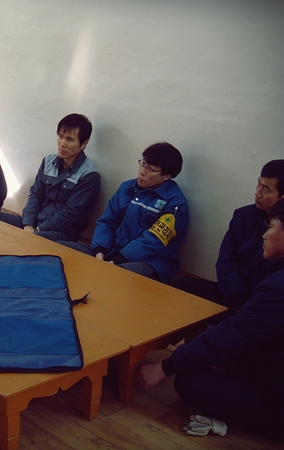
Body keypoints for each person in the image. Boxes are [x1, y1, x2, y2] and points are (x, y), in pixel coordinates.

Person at [137, 197, 284, 441]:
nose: (265, 235)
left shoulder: (278, 288)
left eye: (273, 227)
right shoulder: (245, 218)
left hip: (276, 403)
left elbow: (231, 336)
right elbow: (226, 263)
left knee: (189, 381)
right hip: (260, 343)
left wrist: (165, 367)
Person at [59, 142, 189, 283]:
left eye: (150, 169)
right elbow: (107, 222)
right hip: (111, 251)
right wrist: (100, 252)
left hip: (150, 261)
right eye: (143, 164)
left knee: (111, 277)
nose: (142, 171)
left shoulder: (176, 205)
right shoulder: (127, 187)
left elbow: (152, 242)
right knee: (59, 249)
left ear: (167, 176)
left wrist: (118, 260)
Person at [171, 160, 284, 311]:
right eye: (258, 184)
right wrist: (237, 299)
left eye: (266, 189)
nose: (257, 193)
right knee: (182, 284)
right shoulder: (243, 216)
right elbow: (226, 261)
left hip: (265, 302)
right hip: (235, 295)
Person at [0, 114, 100, 242]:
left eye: (69, 140)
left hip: (61, 232)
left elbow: (70, 214)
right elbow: (35, 195)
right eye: (60, 136)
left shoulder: (88, 175)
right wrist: (28, 225)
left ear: (84, 144)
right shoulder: (48, 161)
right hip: (33, 223)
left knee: (25, 241)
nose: (62, 143)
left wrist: (38, 230)